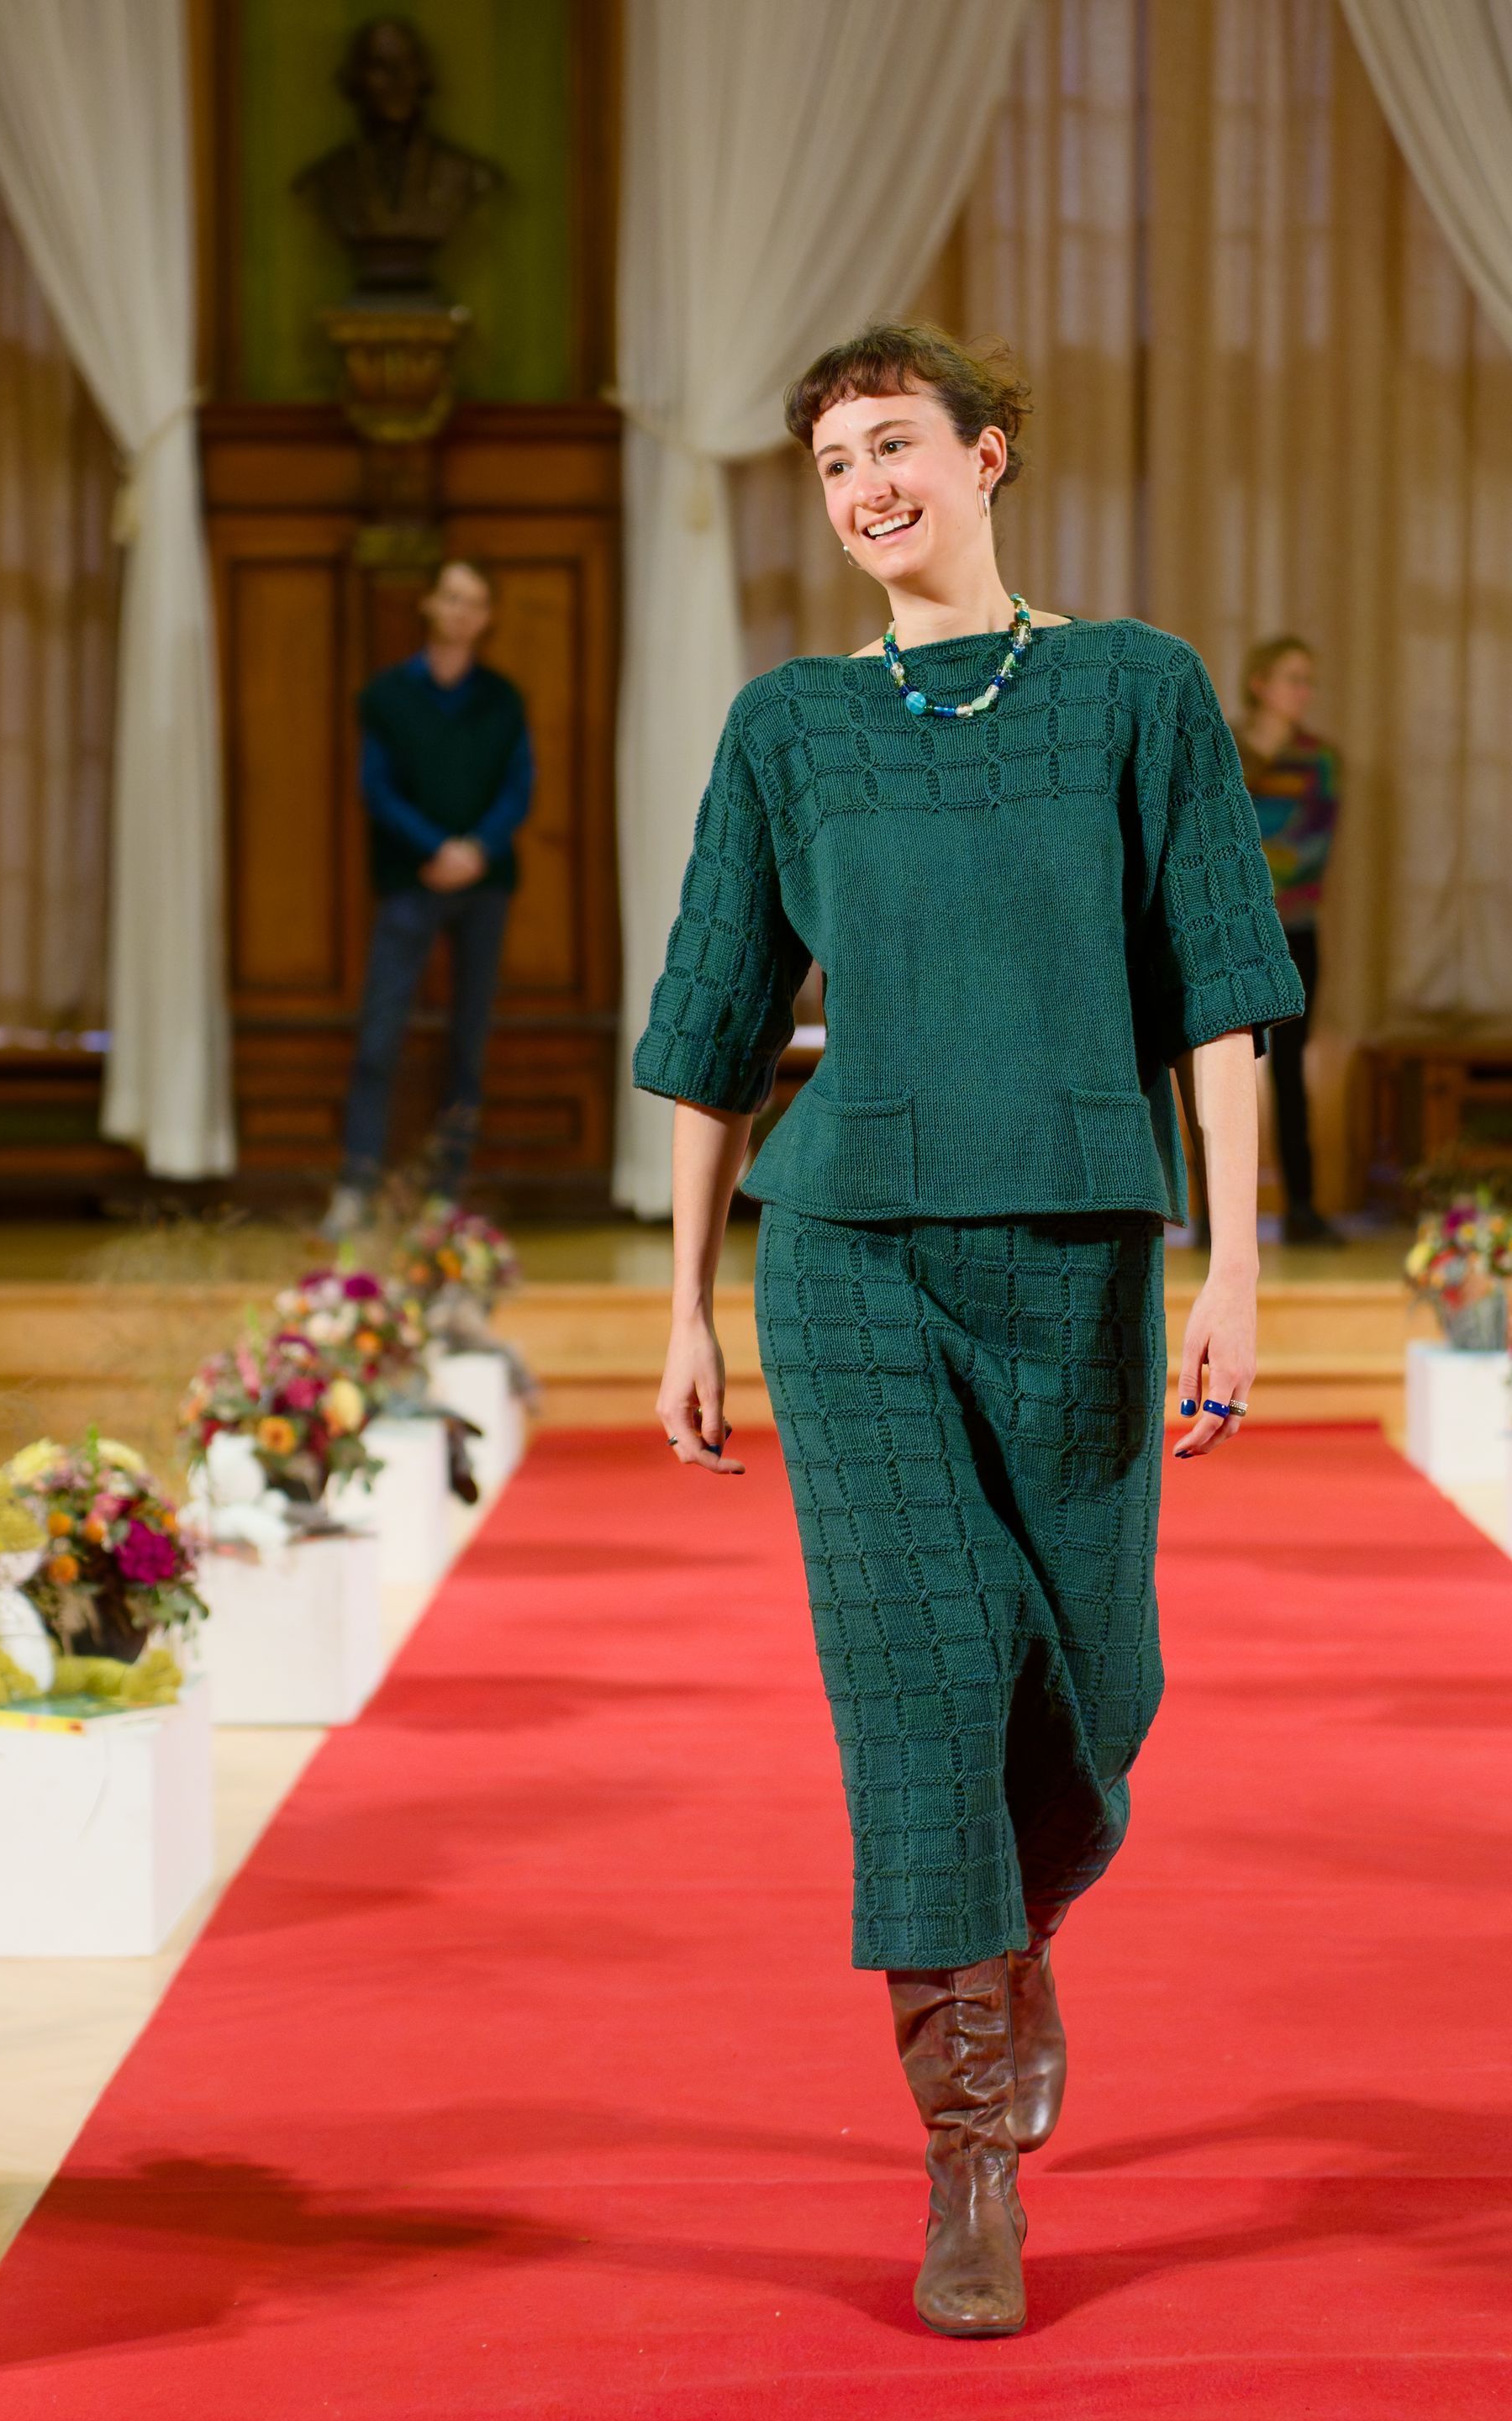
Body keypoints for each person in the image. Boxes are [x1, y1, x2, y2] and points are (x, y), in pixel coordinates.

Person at [632, 324, 1304, 2339]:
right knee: (921, 1678)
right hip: (847, 1254)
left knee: (1097, 1681)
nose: (867, 487)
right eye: (835, 462)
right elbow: (710, 1023)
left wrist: (1238, 1268)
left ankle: (1003, 1932)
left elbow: (1225, 991)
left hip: (1079, 1252)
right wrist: (683, 1305)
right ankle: (971, 2153)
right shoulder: (789, 726)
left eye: (896, 444)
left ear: (987, 454)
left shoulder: (1136, 690)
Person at [323, 560, 531, 1238]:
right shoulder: (387, 696)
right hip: (410, 883)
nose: (461, 611)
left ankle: (444, 1196)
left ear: (487, 617)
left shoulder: (502, 698)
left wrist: (476, 850)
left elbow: (518, 789)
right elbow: (377, 789)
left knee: (468, 1041)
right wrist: (436, 848)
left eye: (476, 602)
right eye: (452, 597)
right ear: (430, 605)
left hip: (485, 886)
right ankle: (356, 1185)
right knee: (379, 1036)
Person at [1233, 636, 1342, 1245]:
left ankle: (1301, 1207)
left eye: (1309, 681)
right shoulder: (1221, 747)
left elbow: (1308, 851)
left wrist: (1243, 862)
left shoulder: (1321, 761)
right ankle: (1216, 1218)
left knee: (1292, 1068)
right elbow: (1199, 831)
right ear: (1260, 684)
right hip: (1229, 931)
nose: (1304, 692)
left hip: (1294, 932)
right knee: (1219, 1065)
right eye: (1293, 678)